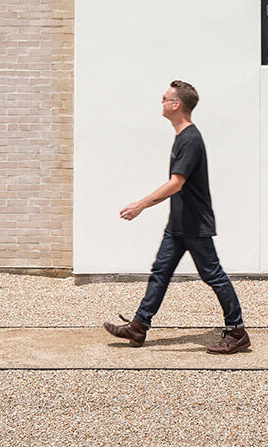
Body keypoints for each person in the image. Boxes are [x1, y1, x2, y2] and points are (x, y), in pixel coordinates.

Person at [104, 80, 251, 354]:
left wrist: (141, 205)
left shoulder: (190, 139)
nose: (161, 101)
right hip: (179, 224)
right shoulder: (182, 137)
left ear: (176, 104)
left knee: (213, 275)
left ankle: (237, 331)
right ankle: (139, 326)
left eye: (165, 98)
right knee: (160, 272)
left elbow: (176, 183)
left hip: (195, 223)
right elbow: (177, 186)